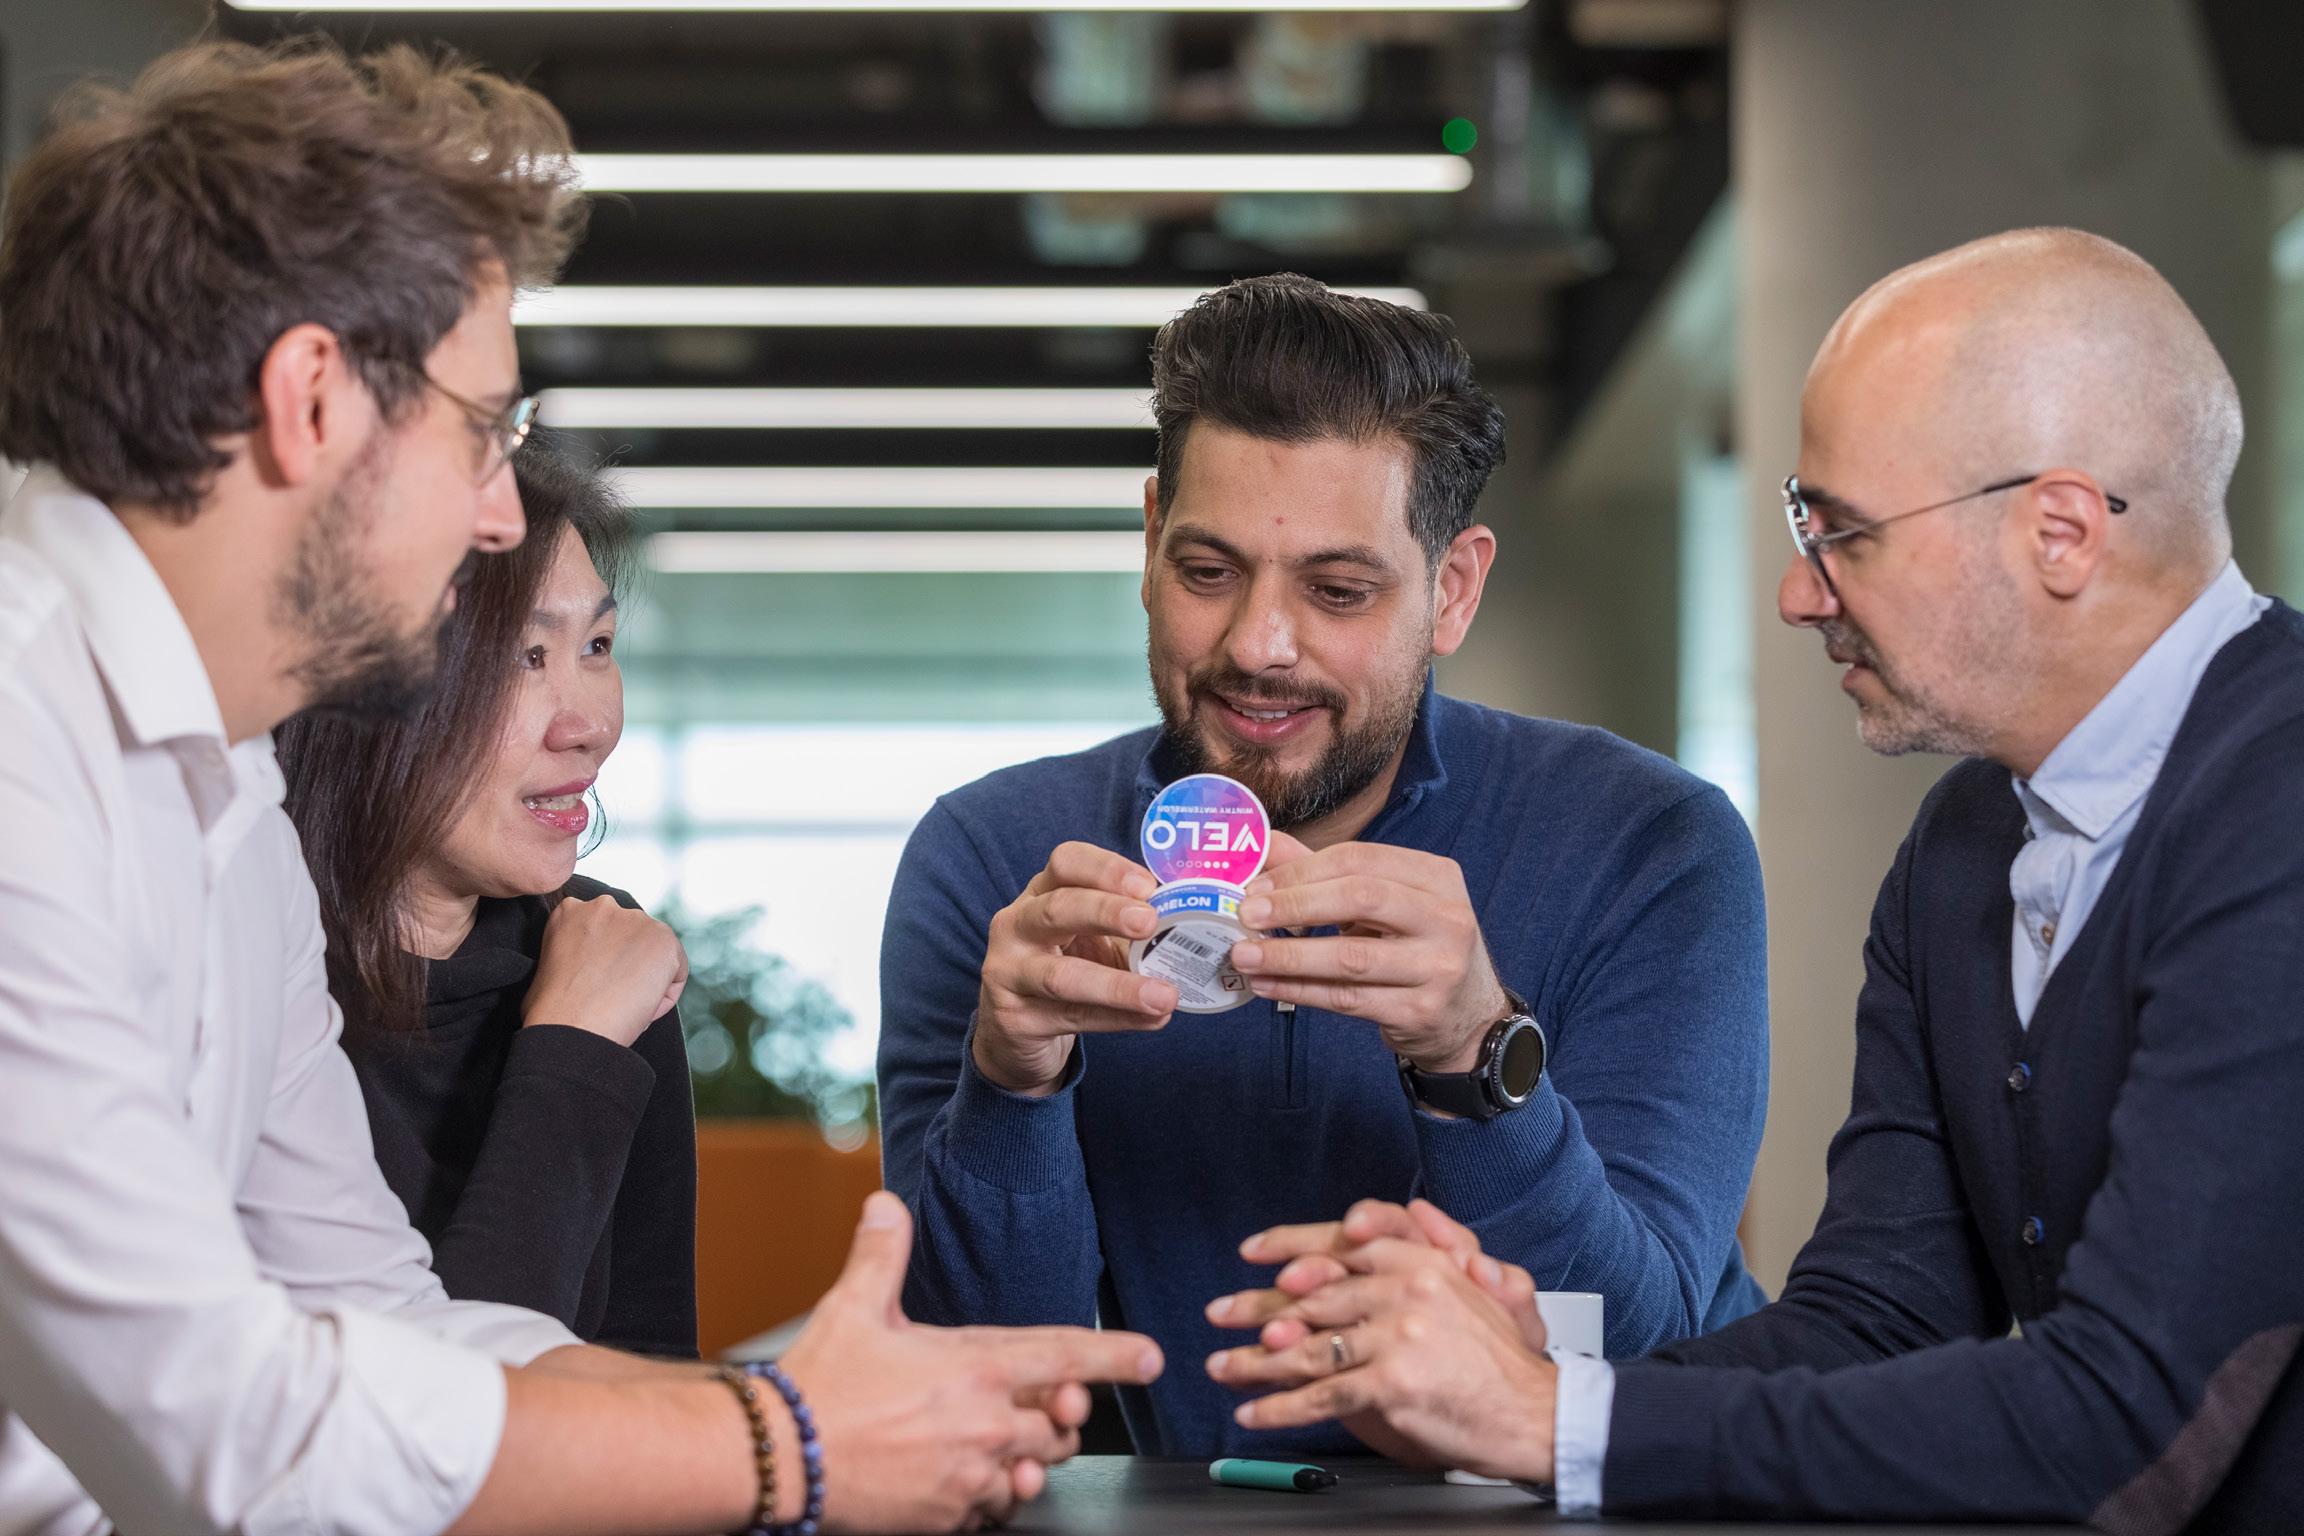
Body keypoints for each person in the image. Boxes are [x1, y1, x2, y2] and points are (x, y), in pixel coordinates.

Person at [0, 38, 1157, 1536]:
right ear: (311, 401)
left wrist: (844, 1407)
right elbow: (232, 1422)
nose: (499, 514)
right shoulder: (25, 753)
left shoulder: (226, 794)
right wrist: (788, 1444)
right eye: (486, 433)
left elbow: (381, 1316)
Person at [1203, 229, 2303, 1531]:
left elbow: (2125, 1424)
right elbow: (1877, 1319)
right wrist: (1546, 1379)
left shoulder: (2278, 810)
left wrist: (1549, 1420)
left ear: (2058, 532)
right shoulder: (1964, 845)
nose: (1795, 592)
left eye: (1844, 534)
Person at [877, 273, 1770, 1458]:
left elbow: (1637, 1346)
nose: (1259, 645)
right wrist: (1013, 1085)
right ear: (1149, 543)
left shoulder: (1649, 845)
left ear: (1452, 591)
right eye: (1207, 572)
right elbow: (976, 1392)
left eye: (1338, 591)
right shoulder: (996, 860)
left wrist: (1475, 1055)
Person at [276, 446, 697, 1357]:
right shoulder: (255, 977)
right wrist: (575, 1049)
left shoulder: (601, 948)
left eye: (596, 647)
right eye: (521, 658)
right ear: (359, 684)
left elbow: (647, 1376)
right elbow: (431, 1410)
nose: (588, 726)